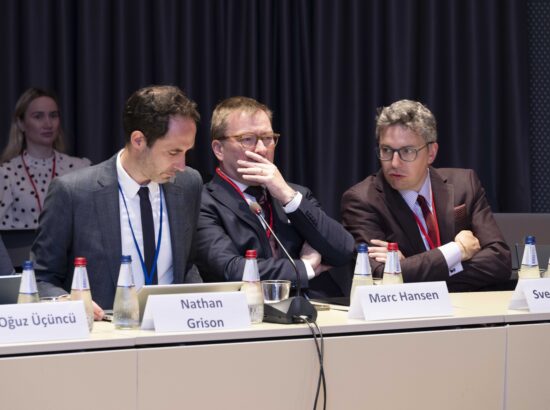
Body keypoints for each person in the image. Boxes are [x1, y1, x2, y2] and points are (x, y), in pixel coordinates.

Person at [32, 85, 203, 318]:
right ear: (138, 140)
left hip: (173, 327)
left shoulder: (189, 184)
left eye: (187, 152)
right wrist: (67, 302)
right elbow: (41, 278)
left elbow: (188, 264)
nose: (182, 165)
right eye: (173, 152)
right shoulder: (73, 192)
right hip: (104, 332)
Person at [341, 99, 511, 291]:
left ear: (431, 153)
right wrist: (456, 251)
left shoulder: (464, 184)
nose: (394, 163)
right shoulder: (362, 200)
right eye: (386, 150)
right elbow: (379, 275)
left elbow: (500, 261)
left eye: (407, 151)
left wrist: (410, 268)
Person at [195, 96, 354, 298]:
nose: (262, 149)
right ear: (219, 149)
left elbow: (343, 250)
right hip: (252, 310)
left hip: (320, 307)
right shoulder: (203, 202)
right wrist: (304, 267)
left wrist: (287, 196)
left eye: (268, 138)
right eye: (247, 139)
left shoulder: (295, 194)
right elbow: (233, 270)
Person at [0, 87, 91, 230]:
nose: (48, 124)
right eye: (38, 116)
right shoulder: (6, 174)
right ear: (21, 123)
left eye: (53, 115)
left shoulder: (80, 169)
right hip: (23, 245)